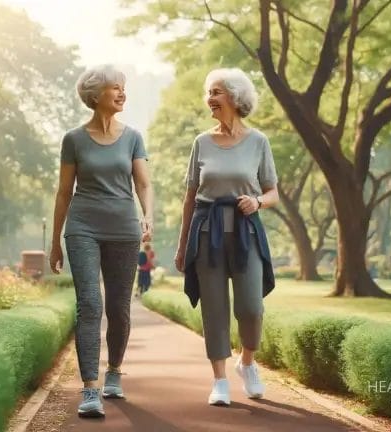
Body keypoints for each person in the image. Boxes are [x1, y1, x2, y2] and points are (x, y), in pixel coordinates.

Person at [49, 64, 153, 419]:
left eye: (123, 88)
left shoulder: (133, 137)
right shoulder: (73, 140)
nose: (122, 93)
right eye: (115, 88)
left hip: (124, 228)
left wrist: (147, 215)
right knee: (90, 304)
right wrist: (54, 242)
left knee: (119, 309)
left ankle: (114, 372)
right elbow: (64, 193)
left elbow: (143, 183)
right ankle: (90, 389)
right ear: (96, 95)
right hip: (82, 226)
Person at [174, 68, 280, 406]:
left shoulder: (258, 142)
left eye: (216, 92)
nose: (210, 99)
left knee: (251, 307)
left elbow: (274, 191)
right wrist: (181, 246)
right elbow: (190, 196)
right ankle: (219, 380)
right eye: (209, 93)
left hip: (246, 231)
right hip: (207, 231)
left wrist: (258, 201)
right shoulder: (201, 143)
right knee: (215, 308)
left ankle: (246, 363)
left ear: (234, 97)